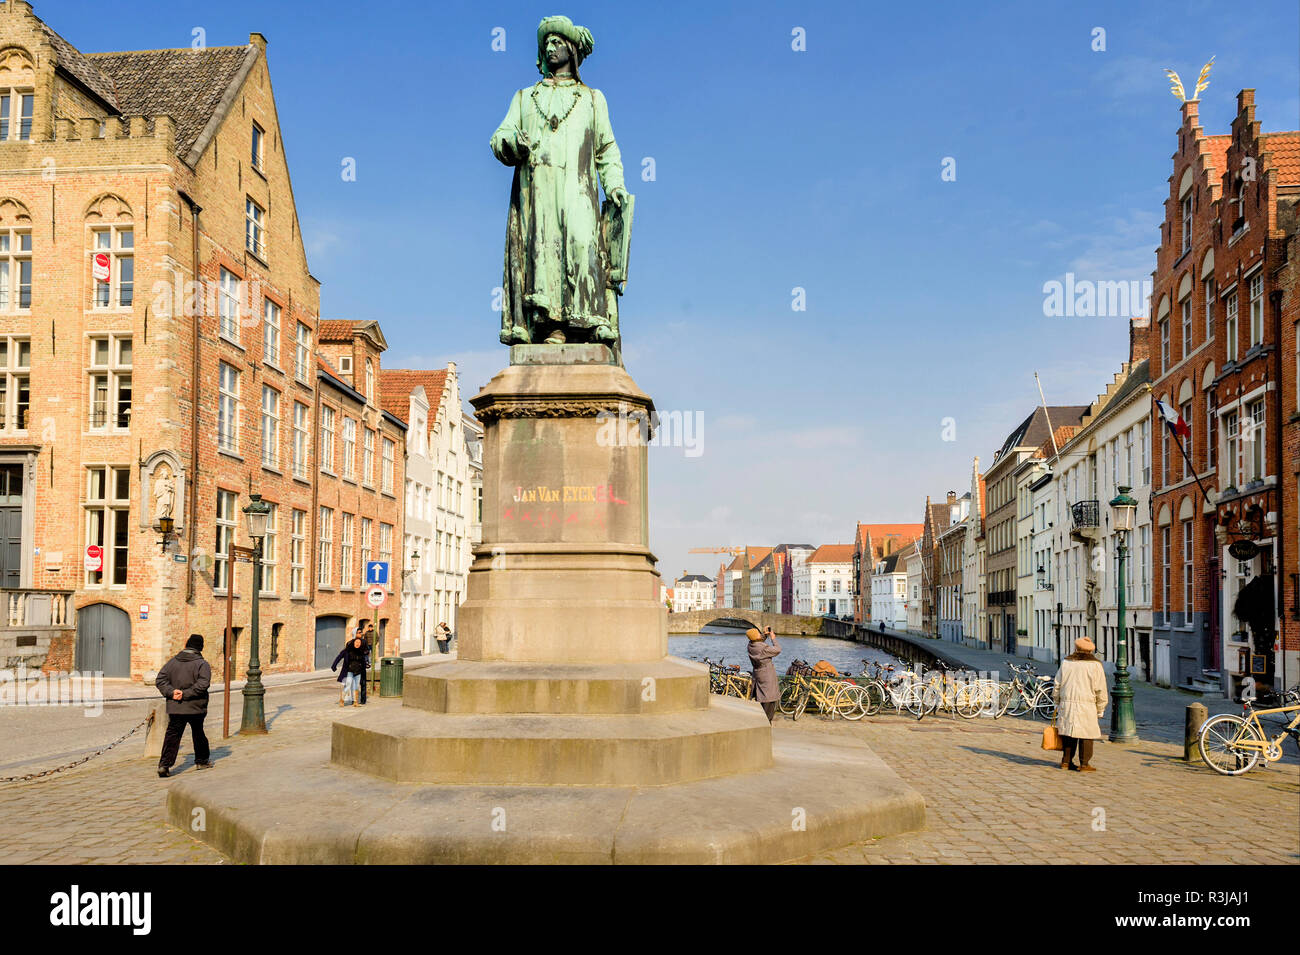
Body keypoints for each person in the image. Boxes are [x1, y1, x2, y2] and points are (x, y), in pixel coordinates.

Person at [155, 635, 212, 777]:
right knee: (198, 733)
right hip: (196, 707)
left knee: (172, 735)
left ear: (186, 645)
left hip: (175, 707)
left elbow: (160, 679)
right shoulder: (202, 664)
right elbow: (203, 684)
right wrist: (185, 694)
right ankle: (202, 761)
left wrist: (172, 693)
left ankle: (164, 765)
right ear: (200, 647)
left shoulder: (172, 662)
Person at [1053, 637, 1109, 772]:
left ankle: (1066, 761)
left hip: (1067, 703)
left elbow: (1057, 684)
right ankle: (1084, 763)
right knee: (1086, 734)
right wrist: (1101, 707)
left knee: (1068, 733)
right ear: (1090, 651)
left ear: (1076, 648)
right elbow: (1100, 688)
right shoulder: (1095, 666)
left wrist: (1057, 701)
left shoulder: (1066, 662)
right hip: (1087, 704)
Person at [746, 626, 782, 723]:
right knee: (769, 701)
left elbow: (757, 640)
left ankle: (763, 722)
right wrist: (773, 638)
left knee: (762, 699)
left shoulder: (750, 645)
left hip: (758, 674)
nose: (759, 634)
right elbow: (778, 649)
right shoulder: (763, 648)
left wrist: (765, 634)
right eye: (758, 633)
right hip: (767, 675)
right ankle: (766, 725)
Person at [331, 634, 368, 706]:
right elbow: (339, 657)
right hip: (349, 671)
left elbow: (363, 662)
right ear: (353, 643)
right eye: (356, 642)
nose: (357, 644)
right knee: (348, 685)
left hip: (358, 671)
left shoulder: (361, 651)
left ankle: (355, 702)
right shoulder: (347, 651)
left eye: (359, 643)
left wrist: (365, 666)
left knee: (356, 686)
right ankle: (342, 700)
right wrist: (334, 665)